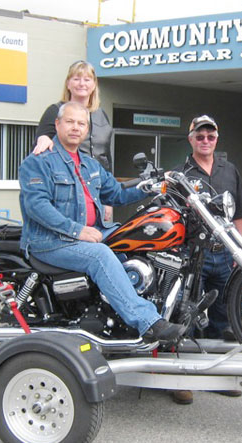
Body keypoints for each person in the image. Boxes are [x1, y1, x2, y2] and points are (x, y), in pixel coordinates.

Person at [19, 101, 183, 342]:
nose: (76, 128)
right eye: (70, 122)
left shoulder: (88, 163)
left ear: (86, 130)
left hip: (91, 232)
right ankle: (147, 323)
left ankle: (142, 310)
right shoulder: (38, 161)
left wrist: (154, 187)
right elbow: (37, 206)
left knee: (137, 241)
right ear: (57, 124)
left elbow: (116, 194)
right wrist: (77, 231)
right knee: (100, 256)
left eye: (81, 123)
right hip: (51, 241)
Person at [170, 114, 242, 405]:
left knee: (222, 318)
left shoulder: (229, 169)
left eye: (211, 135)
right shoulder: (180, 174)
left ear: (216, 138)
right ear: (191, 138)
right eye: (200, 135)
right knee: (187, 316)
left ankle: (218, 377)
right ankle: (183, 380)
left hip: (225, 256)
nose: (205, 140)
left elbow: (240, 212)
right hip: (193, 256)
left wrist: (239, 251)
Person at [33, 60, 114, 222]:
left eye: (87, 79)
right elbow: (42, 139)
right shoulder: (55, 111)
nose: (82, 84)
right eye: (76, 79)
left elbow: (106, 158)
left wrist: (108, 199)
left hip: (97, 189)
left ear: (94, 84)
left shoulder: (101, 114)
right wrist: (42, 139)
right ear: (68, 84)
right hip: (69, 192)